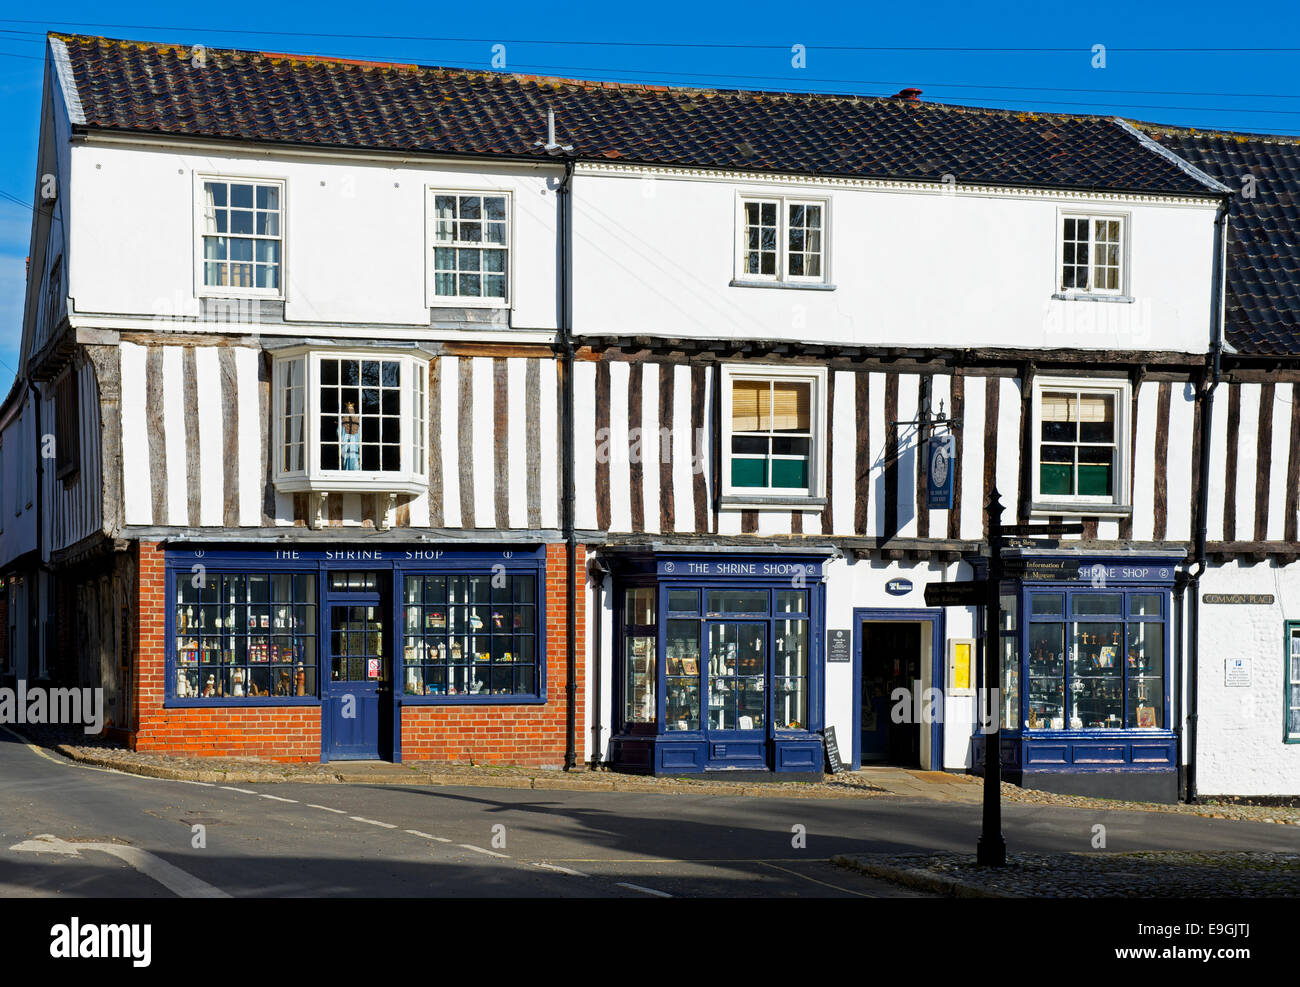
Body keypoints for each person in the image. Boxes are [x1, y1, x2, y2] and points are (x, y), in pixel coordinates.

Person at [341, 401, 360, 469]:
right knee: (349, 458)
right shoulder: (356, 421)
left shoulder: (356, 421)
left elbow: (339, 432)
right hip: (350, 443)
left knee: (351, 458)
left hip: (351, 444)